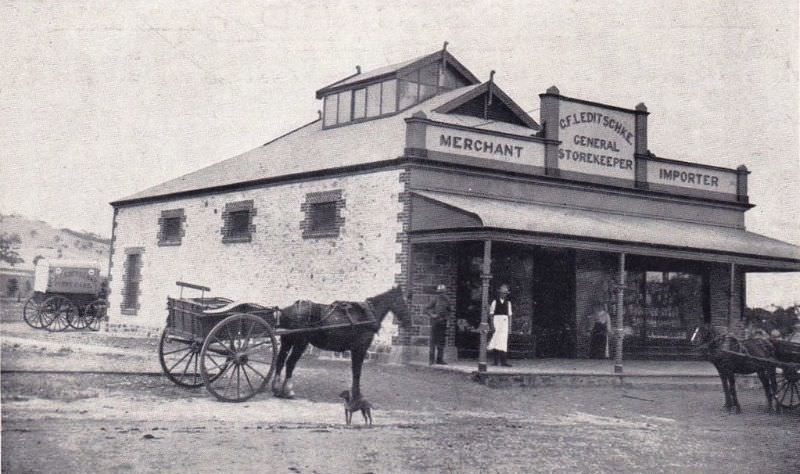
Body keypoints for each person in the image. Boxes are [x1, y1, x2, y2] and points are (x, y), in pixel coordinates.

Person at [425, 284, 451, 365]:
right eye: (440, 292)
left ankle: (439, 359)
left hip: (443, 322)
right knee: (433, 341)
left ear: (445, 292)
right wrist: (433, 315)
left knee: (441, 341)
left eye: (442, 292)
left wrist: (447, 319)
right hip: (435, 322)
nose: (441, 294)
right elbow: (427, 309)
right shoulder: (435, 299)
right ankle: (431, 360)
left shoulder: (447, 300)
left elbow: (449, 310)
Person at [487, 284, 513, 367]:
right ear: (499, 293)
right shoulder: (495, 302)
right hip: (497, 321)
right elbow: (491, 314)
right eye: (502, 293)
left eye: (505, 293)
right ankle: (495, 361)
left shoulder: (508, 303)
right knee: (496, 340)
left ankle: (503, 361)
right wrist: (492, 325)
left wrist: (509, 327)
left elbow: (510, 315)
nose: (503, 295)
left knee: (503, 341)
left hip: (504, 322)